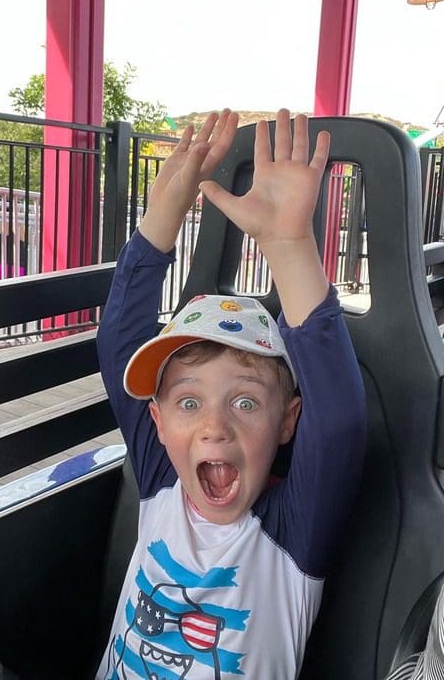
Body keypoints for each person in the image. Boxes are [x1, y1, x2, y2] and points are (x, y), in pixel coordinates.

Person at [96, 108, 367, 679]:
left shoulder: (292, 532)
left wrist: (290, 246)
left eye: (244, 402)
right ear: (159, 424)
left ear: (288, 422)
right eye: (188, 403)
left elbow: (339, 420)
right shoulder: (162, 482)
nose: (213, 427)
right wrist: (161, 218)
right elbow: (120, 343)